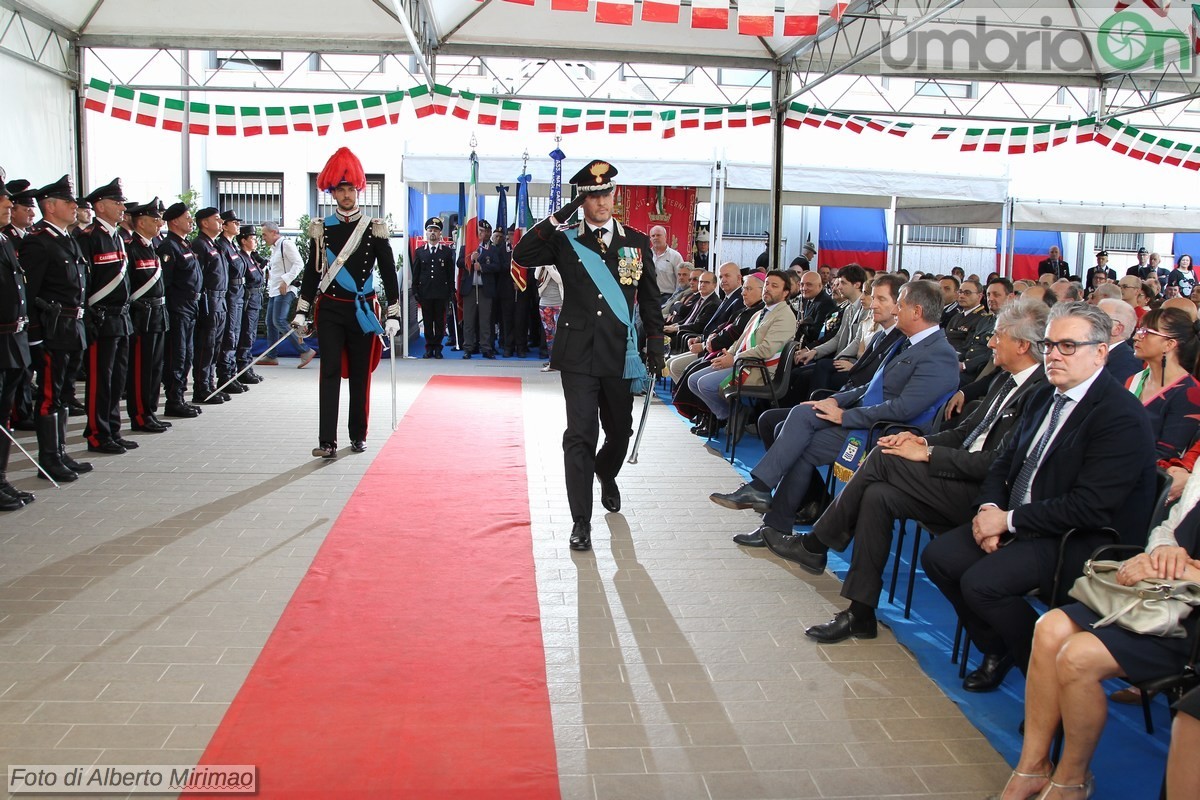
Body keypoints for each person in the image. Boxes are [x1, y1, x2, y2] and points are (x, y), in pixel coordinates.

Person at [774, 299, 1049, 643]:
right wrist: (920, 440)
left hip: (986, 497)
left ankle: (817, 541)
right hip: (956, 478)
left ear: (1022, 345)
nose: (991, 342)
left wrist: (928, 454)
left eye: (998, 336)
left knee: (884, 457)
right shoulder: (1006, 381)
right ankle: (859, 613)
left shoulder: (1039, 393)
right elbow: (965, 434)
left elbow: (997, 464)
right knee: (878, 495)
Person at [922, 301, 1157, 693]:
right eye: (1049, 345)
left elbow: (1089, 506)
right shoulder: (1043, 396)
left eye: (1067, 346)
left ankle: (1046, 680)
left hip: (1080, 538)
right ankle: (1002, 647)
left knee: (982, 584)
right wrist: (991, 509)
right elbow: (1004, 464)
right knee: (940, 559)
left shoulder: (1120, 416)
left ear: (1100, 352)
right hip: (1026, 518)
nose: (1053, 355)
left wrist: (1009, 522)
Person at [992, 468, 1200, 800]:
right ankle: (1032, 767)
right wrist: (1163, 552)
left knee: (1077, 657)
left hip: (1190, 617)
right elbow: (1170, 526)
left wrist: (1185, 569)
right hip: (1163, 591)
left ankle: (1072, 780)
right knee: (1050, 627)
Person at [710, 279, 960, 548]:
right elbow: (870, 386)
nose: (896, 310)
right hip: (866, 419)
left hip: (887, 434)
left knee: (801, 443)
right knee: (803, 413)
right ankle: (763, 497)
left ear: (917, 311)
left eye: (900, 304)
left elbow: (904, 409)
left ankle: (769, 511)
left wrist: (844, 416)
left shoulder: (939, 354)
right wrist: (832, 401)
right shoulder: (908, 343)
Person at [511, 159, 665, 552]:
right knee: (580, 435)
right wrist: (562, 212)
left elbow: (649, 298)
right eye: (592, 195)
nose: (601, 202)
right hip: (577, 353)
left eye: (606, 193)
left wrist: (655, 344)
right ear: (584, 200)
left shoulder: (636, 241)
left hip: (618, 353)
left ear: (615, 194)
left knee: (619, 432)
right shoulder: (566, 240)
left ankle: (606, 472)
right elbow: (524, 252)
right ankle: (581, 521)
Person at [293, 147, 400, 459]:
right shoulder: (321, 228)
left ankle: (358, 435)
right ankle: (327, 441)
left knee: (359, 374)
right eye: (340, 189)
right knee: (328, 371)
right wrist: (302, 310)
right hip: (329, 309)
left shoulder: (374, 227)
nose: (346, 195)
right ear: (332, 192)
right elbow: (313, 273)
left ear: (358, 190)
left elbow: (389, 272)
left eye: (350, 189)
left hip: (362, 310)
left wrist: (392, 312)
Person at [21, 176, 93, 482]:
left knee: (63, 393)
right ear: (50, 206)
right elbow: (30, 293)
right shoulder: (37, 242)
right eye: (68, 202)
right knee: (49, 395)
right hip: (51, 330)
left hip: (71, 327)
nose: (74, 207)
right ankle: (48, 459)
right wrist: (35, 337)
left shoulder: (67, 238)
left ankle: (61, 452)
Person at [685, 270, 794, 436]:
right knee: (693, 380)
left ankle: (731, 415)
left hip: (759, 369)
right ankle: (730, 413)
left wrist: (734, 358)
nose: (768, 288)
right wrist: (727, 355)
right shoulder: (760, 312)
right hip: (742, 362)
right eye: (766, 284)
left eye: (774, 286)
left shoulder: (785, 316)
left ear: (785, 292)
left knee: (705, 384)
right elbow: (741, 340)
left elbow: (766, 349)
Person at [75, 178, 137, 455]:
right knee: (101, 379)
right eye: (117, 202)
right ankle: (97, 433)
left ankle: (112, 428)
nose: (122, 207)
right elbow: (83, 282)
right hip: (100, 317)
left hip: (120, 317)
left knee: (117, 378)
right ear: (100, 206)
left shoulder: (117, 237)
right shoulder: (89, 237)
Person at [1126, 307, 1200, 461]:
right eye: (1139, 330)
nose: (1136, 337)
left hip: (1142, 475)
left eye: (1147, 332)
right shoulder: (1134, 379)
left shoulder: (1190, 392)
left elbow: (1167, 454)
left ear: (1169, 344)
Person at [0, 177, 34, 509]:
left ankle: (2, 479)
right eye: (3, 201)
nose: (9, 204)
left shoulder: (4, 240)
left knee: (4, 414)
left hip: (12, 340)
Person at [124, 199, 170, 434]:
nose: (160, 223)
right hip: (142, 314)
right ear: (140, 222)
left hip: (157, 313)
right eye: (155, 220)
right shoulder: (131, 248)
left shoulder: (152, 246)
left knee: (154, 367)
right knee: (141, 369)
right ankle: (140, 415)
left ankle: (150, 410)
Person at [158, 204, 203, 419]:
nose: (190, 221)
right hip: (177, 307)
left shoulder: (184, 244)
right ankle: (173, 400)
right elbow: (165, 282)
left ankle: (181, 397)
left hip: (190, 307)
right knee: (177, 355)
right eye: (187, 218)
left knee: (187, 355)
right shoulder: (169, 246)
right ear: (174, 221)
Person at [190, 207, 229, 405]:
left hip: (220, 300)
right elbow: (199, 277)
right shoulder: (199, 245)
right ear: (204, 223)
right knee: (206, 346)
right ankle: (201, 387)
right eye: (216, 219)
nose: (221, 222)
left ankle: (210, 385)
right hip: (209, 301)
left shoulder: (213, 244)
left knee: (216, 346)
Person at [259, 222, 311, 367]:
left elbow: (299, 263)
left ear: (274, 232)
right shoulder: (275, 249)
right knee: (271, 323)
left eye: (265, 234)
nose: (263, 237)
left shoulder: (286, 244)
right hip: (274, 290)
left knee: (279, 321)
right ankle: (271, 356)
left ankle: (304, 350)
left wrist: (285, 281)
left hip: (285, 290)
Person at [411, 216, 455, 359]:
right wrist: (416, 290)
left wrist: (450, 292)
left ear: (440, 233)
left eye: (435, 231)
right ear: (426, 233)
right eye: (430, 230)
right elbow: (416, 273)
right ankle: (429, 347)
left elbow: (450, 274)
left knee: (440, 322)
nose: (432, 233)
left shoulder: (446, 252)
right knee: (428, 321)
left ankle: (438, 348)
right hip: (425, 293)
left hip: (441, 293)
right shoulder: (420, 251)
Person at [216, 210, 247, 396]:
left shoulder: (232, 245)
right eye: (233, 222)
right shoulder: (222, 245)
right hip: (229, 295)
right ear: (225, 226)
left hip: (238, 294)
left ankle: (231, 374)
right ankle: (225, 377)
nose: (237, 225)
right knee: (229, 337)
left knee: (235, 335)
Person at [457, 219, 499, 359]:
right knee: (469, 320)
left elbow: (497, 266)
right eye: (481, 230)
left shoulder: (493, 249)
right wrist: (470, 259)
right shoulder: (467, 247)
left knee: (485, 321)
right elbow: (459, 263)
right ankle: (468, 347)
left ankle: (486, 348)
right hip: (470, 289)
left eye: (486, 231)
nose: (484, 233)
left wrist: (482, 267)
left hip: (484, 289)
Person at [235, 225, 266, 384]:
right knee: (245, 336)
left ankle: (248, 367)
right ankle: (242, 368)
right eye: (252, 239)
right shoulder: (241, 258)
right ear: (243, 240)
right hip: (247, 301)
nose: (255, 241)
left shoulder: (251, 257)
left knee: (251, 336)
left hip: (255, 301)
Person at [1096, 298, 1143, 384]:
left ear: (1117, 329)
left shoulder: (1128, 363)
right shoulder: (1089, 351)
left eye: (1098, 318)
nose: (1089, 321)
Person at [536, 261, 563, 373]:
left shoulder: (560, 263)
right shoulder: (543, 263)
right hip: (545, 303)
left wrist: (550, 267)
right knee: (549, 335)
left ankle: (561, 362)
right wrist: (541, 263)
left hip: (559, 304)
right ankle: (552, 362)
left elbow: (559, 279)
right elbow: (536, 276)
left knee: (559, 334)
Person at [649, 224, 683, 296]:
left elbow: (680, 279)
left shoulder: (675, 256)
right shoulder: (646, 255)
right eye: (653, 236)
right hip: (648, 296)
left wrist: (676, 298)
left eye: (658, 235)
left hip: (667, 297)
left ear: (665, 237)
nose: (655, 238)